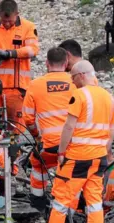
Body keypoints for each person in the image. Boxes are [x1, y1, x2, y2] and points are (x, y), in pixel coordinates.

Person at [37, 60, 114, 223]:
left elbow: (69, 127)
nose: (72, 83)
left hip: (77, 158)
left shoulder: (80, 95)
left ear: (81, 75)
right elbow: (112, 130)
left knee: (61, 201)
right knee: (94, 204)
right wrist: (105, 152)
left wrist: (62, 152)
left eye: (72, 78)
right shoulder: (109, 98)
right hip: (98, 158)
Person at [22, 47, 77, 209]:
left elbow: (28, 118)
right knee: (74, 170)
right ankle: (75, 203)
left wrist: (37, 137)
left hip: (49, 145)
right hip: (73, 145)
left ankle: (37, 200)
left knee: (37, 163)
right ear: (66, 62)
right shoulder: (75, 82)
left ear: (46, 63)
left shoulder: (35, 85)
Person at [0, 0, 39, 134]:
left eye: (10, 21)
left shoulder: (28, 27)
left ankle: (15, 154)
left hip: (16, 90)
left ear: (17, 14)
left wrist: (11, 54)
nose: (7, 23)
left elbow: (33, 50)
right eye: (4, 20)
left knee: (15, 129)